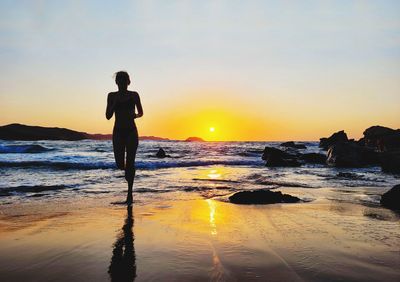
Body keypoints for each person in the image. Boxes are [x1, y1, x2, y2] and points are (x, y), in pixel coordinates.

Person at [106, 71, 143, 205]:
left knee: (131, 163)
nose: (122, 82)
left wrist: (135, 116)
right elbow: (108, 116)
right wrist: (115, 103)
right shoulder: (111, 96)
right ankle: (128, 173)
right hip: (118, 132)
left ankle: (129, 194)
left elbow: (141, 112)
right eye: (119, 80)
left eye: (124, 80)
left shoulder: (134, 95)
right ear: (116, 82)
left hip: (131, 131)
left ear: (128, 81)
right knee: (120, 164)